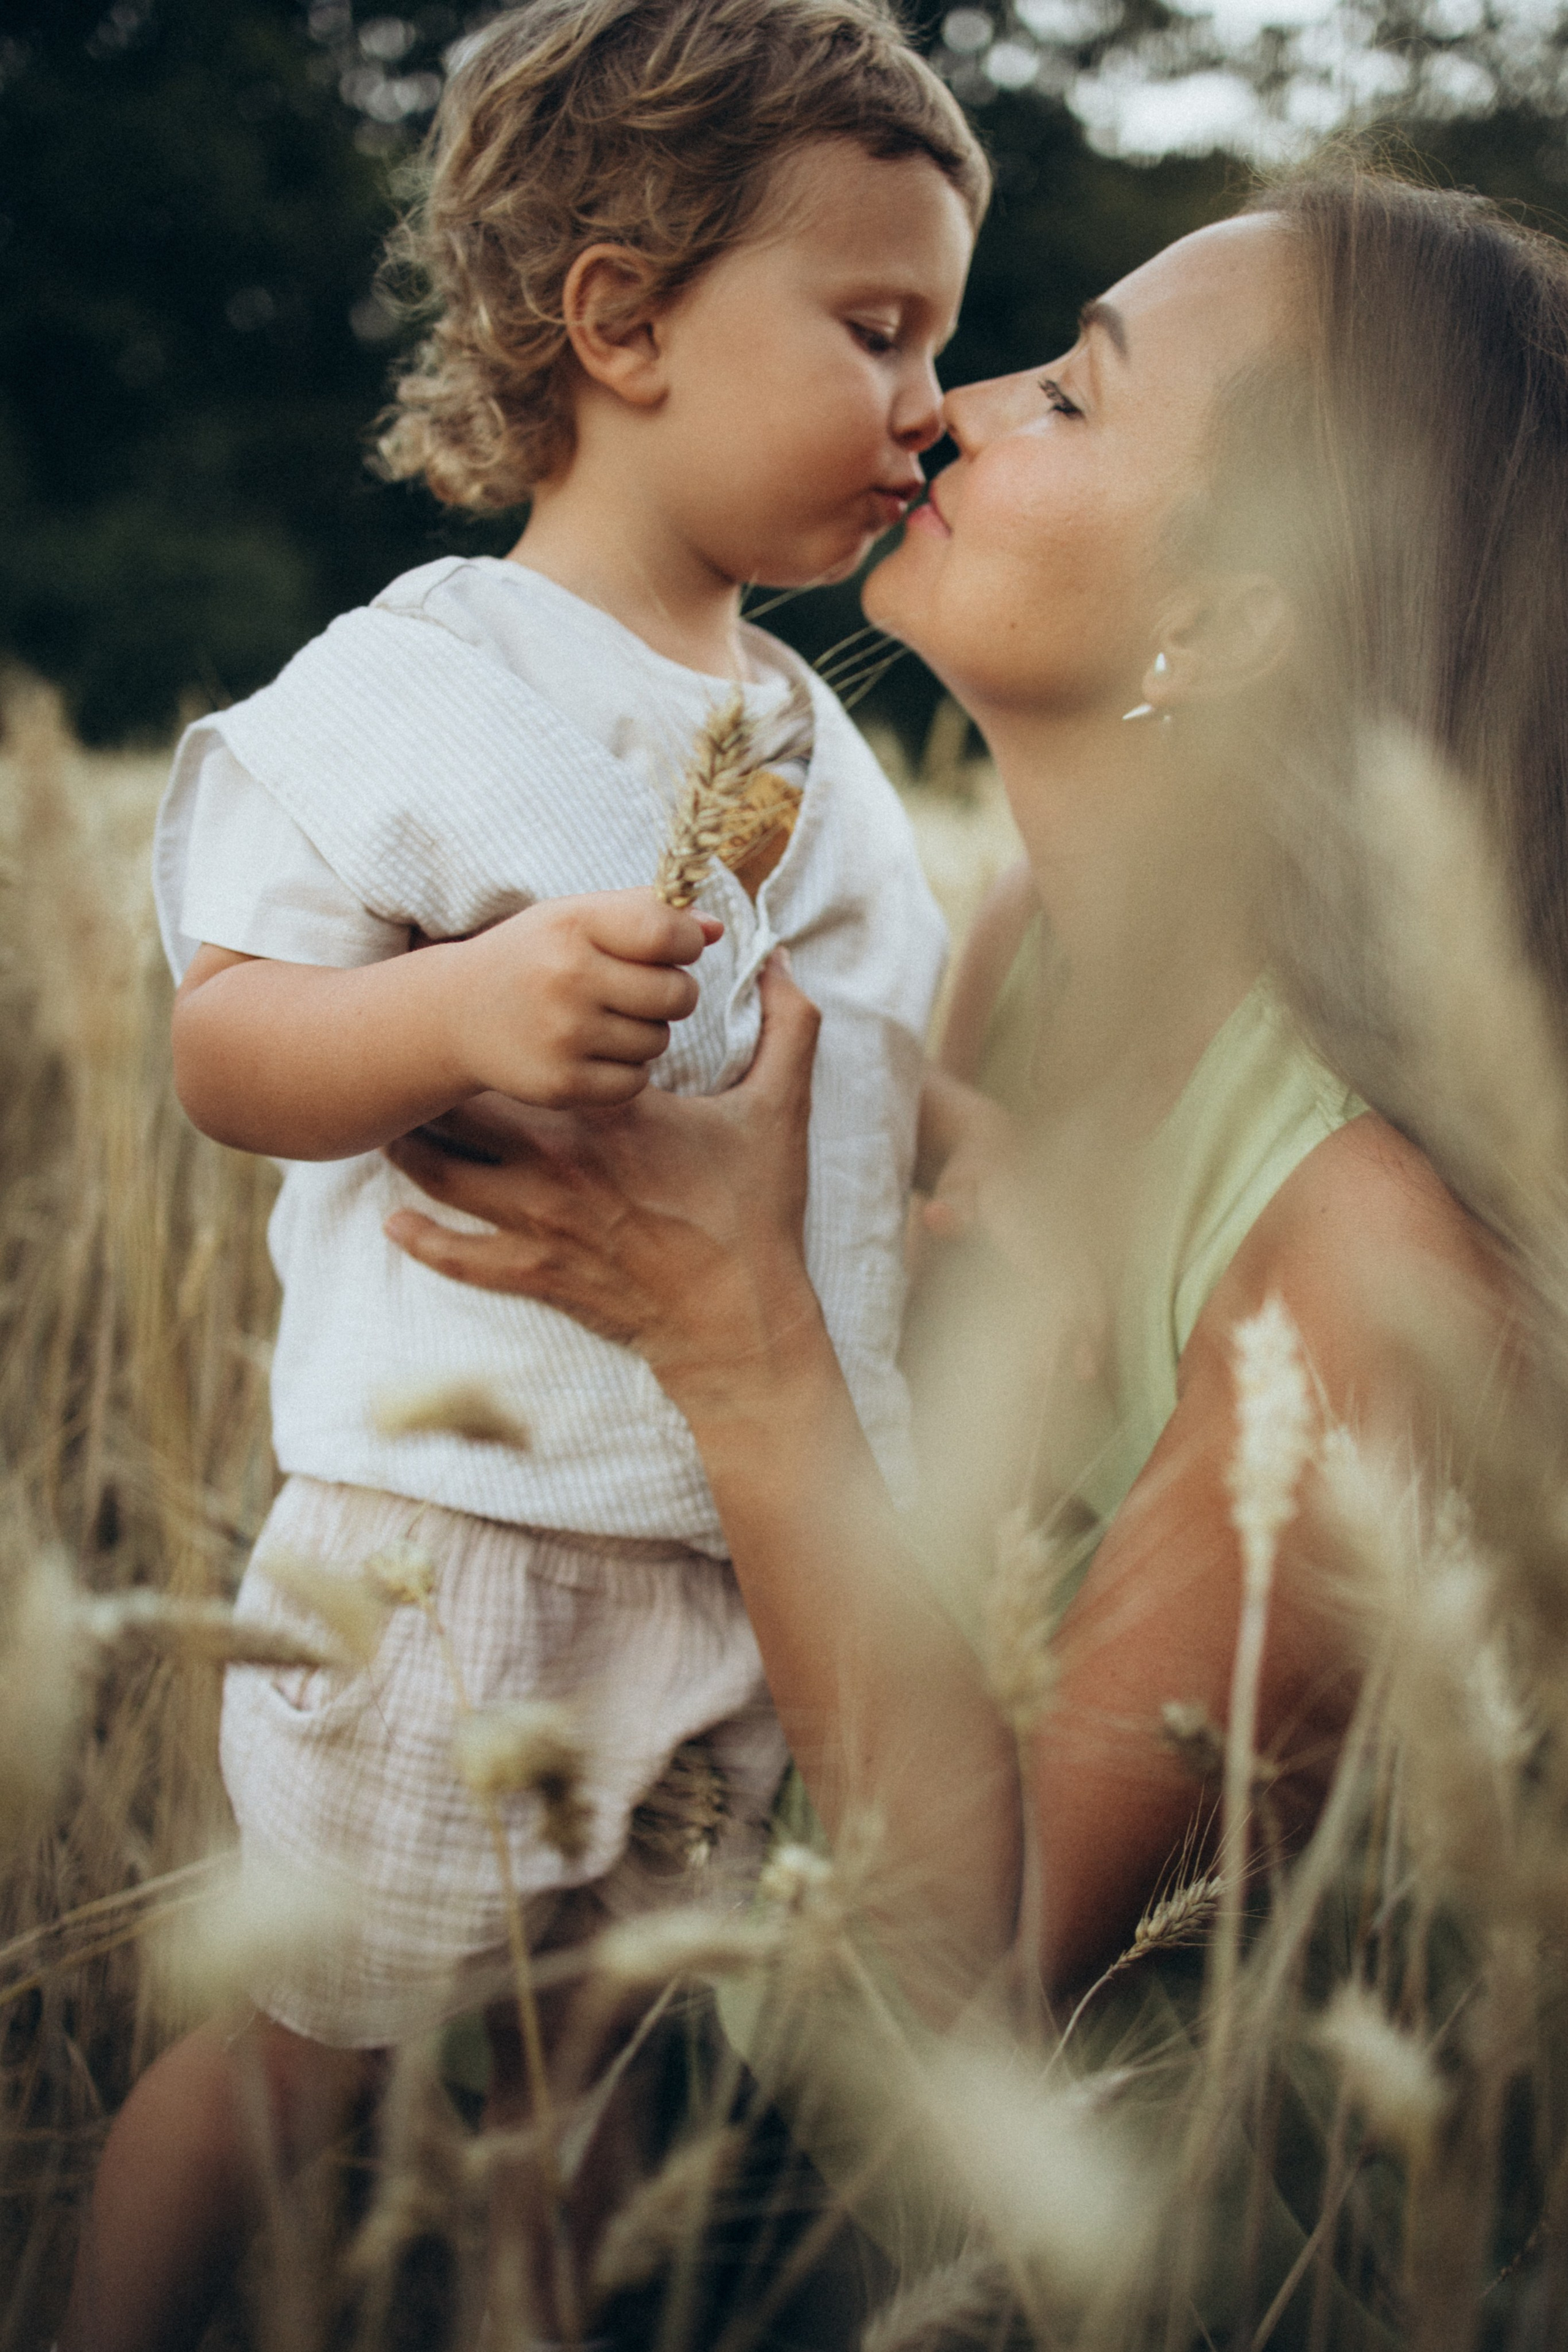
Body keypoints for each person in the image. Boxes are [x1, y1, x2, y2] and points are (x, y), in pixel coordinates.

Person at [377, 165, 1566, 2339]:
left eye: (1072, 395)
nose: (951, 409)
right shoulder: (1011, 960)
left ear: (1234, 618)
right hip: (708, 2090)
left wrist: (744, 1344)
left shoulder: (1373, 1241)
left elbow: (990, 1989)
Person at [59, 7, 989, 2346]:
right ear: (623, 318)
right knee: (307, 2048)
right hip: (456, 1555)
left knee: (597, 2075)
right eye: (877, 331)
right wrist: (455, 1015)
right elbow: (228, 1041)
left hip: (728, 1575)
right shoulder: (429, 680)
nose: (929, 404)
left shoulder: (817, 748)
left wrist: (971, 1161)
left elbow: (863, 1078)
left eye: (944, 345)